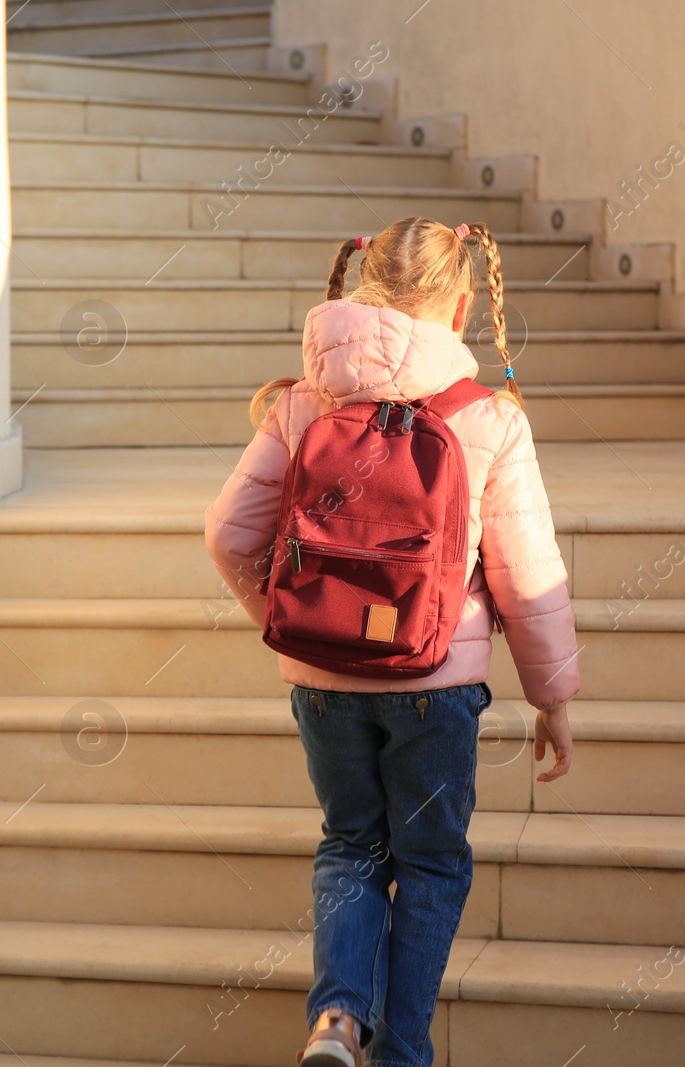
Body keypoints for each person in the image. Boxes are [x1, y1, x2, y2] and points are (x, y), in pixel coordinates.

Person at [204, 216, 582, 1067]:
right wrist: (553, 698)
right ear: (459, 308)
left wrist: (292, 609)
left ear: (360, 287)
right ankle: (402, 1050)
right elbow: (527, 577)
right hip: (435, 680)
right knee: (433, 863)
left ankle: (337, 1016)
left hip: (324, 676)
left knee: (350, 843)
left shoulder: (304, 403)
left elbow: (230, 532)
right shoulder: (489, 419)